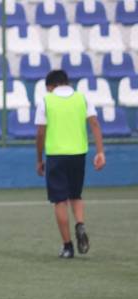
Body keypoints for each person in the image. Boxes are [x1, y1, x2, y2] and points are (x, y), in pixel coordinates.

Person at [35, 69, 106, 258]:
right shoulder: (82, 98)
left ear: (51, 86)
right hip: (78, 154)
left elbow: (40, 133)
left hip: (56, 155)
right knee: (76, 195)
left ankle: (67, 246)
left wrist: (39, 159)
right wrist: (100, 152)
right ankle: (80, 223)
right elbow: (95, 124)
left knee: (59, 200)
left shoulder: (46, 101)